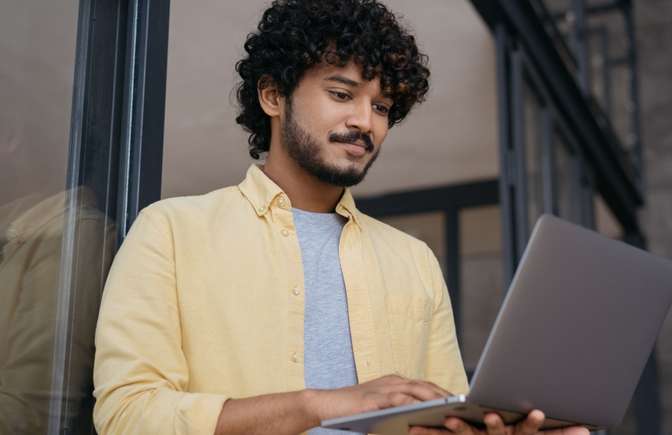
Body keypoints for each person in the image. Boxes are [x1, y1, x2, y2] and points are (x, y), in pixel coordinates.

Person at [92, 1, 589, 434]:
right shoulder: (172, 231)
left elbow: (441, 416)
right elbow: (127, 415)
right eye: (341, 94)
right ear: (272, 96)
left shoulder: (414, 261)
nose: (365, 122)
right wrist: (320, 405)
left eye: (382, 106)